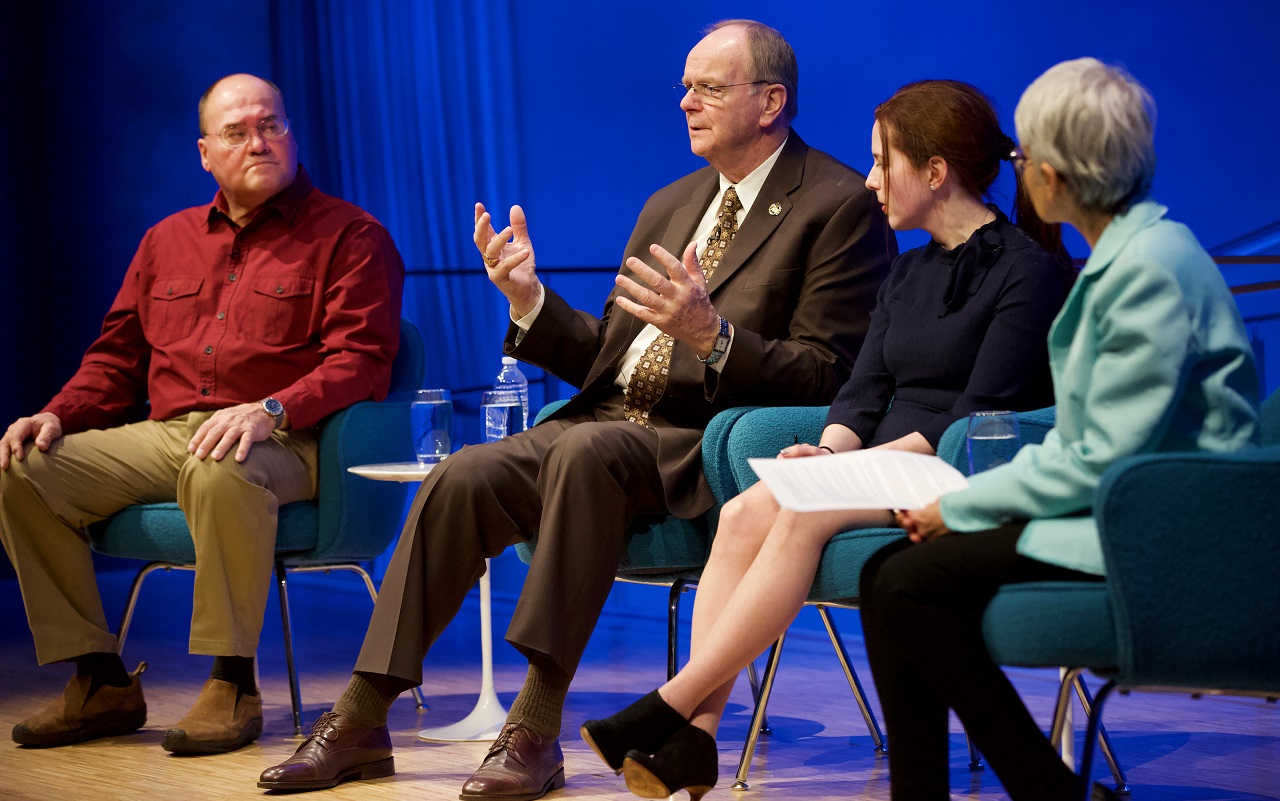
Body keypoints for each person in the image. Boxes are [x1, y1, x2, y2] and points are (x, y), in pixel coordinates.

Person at [258, 19, 893, 799]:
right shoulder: (674, 202)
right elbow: (611, 355)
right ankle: (361, 715)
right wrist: (530, 302)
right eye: (686, 84)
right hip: (603, 425)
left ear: (771, 102)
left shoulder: (835, 204)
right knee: (462, 474)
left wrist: (716, 337)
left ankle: (532, 723)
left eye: (709, 87)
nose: (686, 100)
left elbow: (830, 373)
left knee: (585, 453)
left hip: (699, 444)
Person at [580, 79, 1073, 800]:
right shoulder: (907, 272)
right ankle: (699, 739)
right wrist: (831, 451)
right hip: (883, 465)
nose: (870, 180)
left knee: (805, 509)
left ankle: (669, 702)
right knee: (750, 506)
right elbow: (863, 391)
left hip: (961, 468)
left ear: (935, 173)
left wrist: (849, 471)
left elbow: (976, 419)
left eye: (883, 163)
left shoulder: (1024, 271)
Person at [859, 59, 1258, 801]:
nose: (1018, 168)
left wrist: (963, 505)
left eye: (1024, 156)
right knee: (887, 573)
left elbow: (1106, 453)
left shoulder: (1149, 268)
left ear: (1055, 171)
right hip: (1124, 503)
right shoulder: (1132, 255)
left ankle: (1049, 792)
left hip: (1163, 521)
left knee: (906, 583)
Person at [0, 74, 405, 756]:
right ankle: (98, 679)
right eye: (238, 132)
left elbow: (362, 360)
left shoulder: (350, 235)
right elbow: (116, 358)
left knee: (221, 465)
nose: (259, 141)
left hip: (289, 438)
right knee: (24, 468)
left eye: (271, 125)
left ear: (292, 135)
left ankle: (233, 681)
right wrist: (57, 413)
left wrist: (273, 409)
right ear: (205, 152)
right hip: (170, 433)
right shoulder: (167, 240)